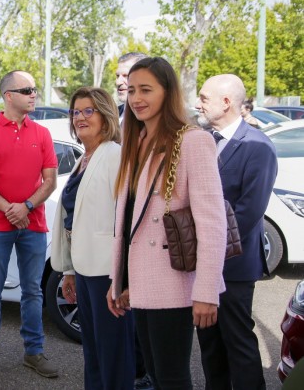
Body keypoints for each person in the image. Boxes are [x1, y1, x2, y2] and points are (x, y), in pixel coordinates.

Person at [107, 57, 227, 389]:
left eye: (146, 89)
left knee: (172, 378)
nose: (136, 98)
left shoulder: (192, 140)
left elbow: (212, 224)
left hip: (175, 283)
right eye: (131, 90)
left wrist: (206, 291)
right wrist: (118, 281)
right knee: (156, 376)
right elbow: (131, 220)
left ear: (167, 91)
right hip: (142, 282)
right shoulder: (136, 139)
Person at [0, 70, 59, 378]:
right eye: (27, 90)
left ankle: (34, 353)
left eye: (35, 89)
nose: (34, 94)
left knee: (33, 290)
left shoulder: (42, 134)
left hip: (33, 225)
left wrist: (28, 206)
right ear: (8, 96)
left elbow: (50, 181)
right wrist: (10, 209)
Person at [195, 74, 277, 390]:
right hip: (200, 264)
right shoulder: (201, 139)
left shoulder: (258, 146)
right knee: (209, 344)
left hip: (234, 265)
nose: (197, 102)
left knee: (237, 341)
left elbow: (249, 212)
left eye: (203, 97)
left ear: (227, 102)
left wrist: (209, 250)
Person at [50, 87, 134, 389]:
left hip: (106, 272)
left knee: (114, 354)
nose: (80, 117)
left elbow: (127, 221)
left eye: (89, 111)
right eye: (76, 112)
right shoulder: (84, 158)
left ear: (105, 115)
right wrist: (69, 271)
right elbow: (76, 220)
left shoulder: (114, 155)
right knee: (95, 353)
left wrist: (122, 278)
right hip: (85, 271)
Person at [115, 52, 154, 390]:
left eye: (137, 84)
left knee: (162, 365)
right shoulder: (126, 129)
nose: (124, 87)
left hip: (156, 259)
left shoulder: (179, 139)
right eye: (125, 83)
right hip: (126, 250)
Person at [115, 52, 148, 121]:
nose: (118, 82)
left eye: (126, 76)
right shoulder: (110, 116)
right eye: (117, 76)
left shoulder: (155, 119)